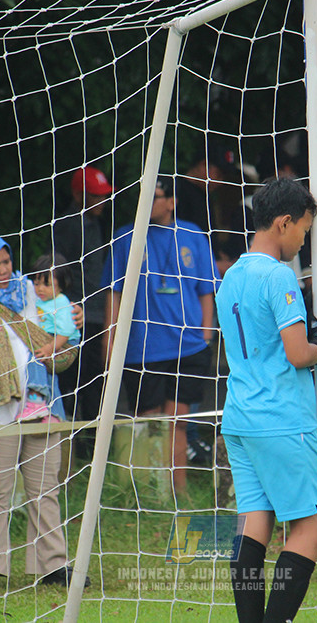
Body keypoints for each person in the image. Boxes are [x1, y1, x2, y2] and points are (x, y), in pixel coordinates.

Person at [216, 177, 317, 623]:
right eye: (304, 231)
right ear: (284, 222)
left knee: (255, 525)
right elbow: (296, 354)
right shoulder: (279, 275)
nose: (304, 240)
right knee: (314, 527)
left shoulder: (230, 276)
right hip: (280, 418)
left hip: (239, 417)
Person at [0, 231, 86, 591]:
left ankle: (53, 564)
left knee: (45, 488)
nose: (5, 270)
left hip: (42, 407)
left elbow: (57, 323)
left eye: (7, 262)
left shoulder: (29, 293)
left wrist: (74, 319)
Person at [102, 176, 220, 494]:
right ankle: (149, 495)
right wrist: (108, 341)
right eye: (144, 197)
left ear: (172, 201)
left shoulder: (193, 235)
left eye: (155, 197)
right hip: (143, 349)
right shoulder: (125, 238)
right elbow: (114, 293)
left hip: (189, 346)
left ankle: (177, 495)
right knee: (149, 425)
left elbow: (206, 290)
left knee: (178, 422)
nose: (149, 203)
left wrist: (206, 337)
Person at [51, 165, 112, 431]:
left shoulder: (96, 222)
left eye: (103, 195)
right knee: (74, 384)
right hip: (75, 318)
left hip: (98, 315)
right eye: (95, 195)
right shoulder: (66, 225)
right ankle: (72, 447)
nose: (102, 201)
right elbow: (59, 273)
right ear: (79, 195)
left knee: (95, 383)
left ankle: (90, 449)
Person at [18, 252, 81, 422]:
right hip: (52, 338)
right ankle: (55, 414)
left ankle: (36, 400)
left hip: (65, 342)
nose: (40, 289)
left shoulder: (61, 302)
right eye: (37, 283)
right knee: (50, 375)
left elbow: (66, 331)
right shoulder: (41, 300)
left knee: (36, 356)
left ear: (61, 284)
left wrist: (49, 347)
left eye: (46, 284)